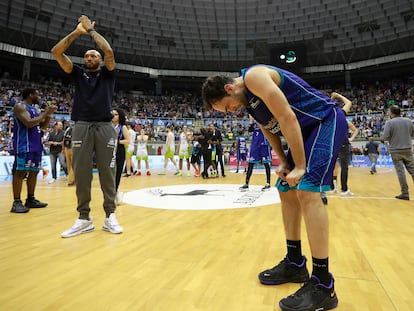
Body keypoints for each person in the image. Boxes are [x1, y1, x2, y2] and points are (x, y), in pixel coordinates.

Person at [202, 64, 348, 311]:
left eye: (227, 106)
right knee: (284, 188)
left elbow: (286, 117)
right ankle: (295, 263)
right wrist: (282, 159)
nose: (230, 112)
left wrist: (299, 165)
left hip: (325, 121)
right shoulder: (247, 100)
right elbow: (267, 127)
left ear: (230, 88)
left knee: (307, 189)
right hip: (303, 133)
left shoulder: (254, 77)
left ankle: (324, 284)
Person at [51, 15, 123, 237]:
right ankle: (84, 218)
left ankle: (110, 215)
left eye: (93, 55)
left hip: (104, 126)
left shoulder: (108, 74)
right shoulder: (77, 74)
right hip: (81, 125)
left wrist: (90, 31)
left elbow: (109, 52)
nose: (90, 57)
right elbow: (57, 52)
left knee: (107, 173)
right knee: (81, 173)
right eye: (87, 55)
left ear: (99, 60)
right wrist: (77, 32)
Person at [11, 88, 56, 213]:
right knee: (20, 173)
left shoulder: (35, 109)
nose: (39, 95)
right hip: (24, 145)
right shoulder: (20, 106)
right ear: (30, 95)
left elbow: (42, 127)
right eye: (37, 93)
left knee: (34, 172)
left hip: (36, 144)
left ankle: (30, 199)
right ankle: (16, 202)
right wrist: (44, 113)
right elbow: (29, 123)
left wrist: (48, 115)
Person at [381, 105, 414, 200]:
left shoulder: (389, 123)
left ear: (391, 113)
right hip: (408, 149)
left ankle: (405, 193)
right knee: (413, 170)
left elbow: (385, 137)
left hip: (395, 150)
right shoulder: (408, 121)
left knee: (401, 172)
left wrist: (384, 139)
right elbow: (412, 133)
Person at [239, 119, 272, 191]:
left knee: (266, 163)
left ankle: (268, 183)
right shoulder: (254, 121)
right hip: (255, 144)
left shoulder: (264, 118)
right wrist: (251, 122)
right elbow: (250, 130)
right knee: (251, 164)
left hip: (264, 144)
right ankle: (246, 183)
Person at [112, 108, 130, 205]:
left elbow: (128, 140)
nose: (113, 116)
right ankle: (112, 193)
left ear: (120, 116)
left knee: (117, 173)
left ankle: (115, 194)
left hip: (119, 151)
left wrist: (117, 141)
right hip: (109, 150)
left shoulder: (122, 127)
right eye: (112, 114)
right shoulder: (108, 126)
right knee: (109, 174)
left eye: (116, 114)